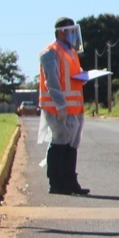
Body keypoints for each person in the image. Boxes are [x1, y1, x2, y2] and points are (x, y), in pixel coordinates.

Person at [38, 17, 90, 195]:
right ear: (62, 31)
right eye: (71, 31)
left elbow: (71, 77)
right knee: (59, 142)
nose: (74, 35)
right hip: (58, 108)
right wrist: (60, 106)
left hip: (74, 108)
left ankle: (70, 182)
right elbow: (51, 82)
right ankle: (56, 183)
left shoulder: (71, 53)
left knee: (71, 145)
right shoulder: (50, 52)